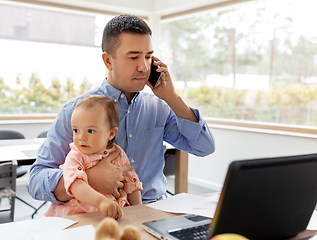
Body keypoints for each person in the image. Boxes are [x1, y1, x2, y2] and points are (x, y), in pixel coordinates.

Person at [28, 14, 215, 206]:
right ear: (108, 61)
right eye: (134, 57)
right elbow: (35, 181)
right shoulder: (75, 111)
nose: (144, 67)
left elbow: (205, 147)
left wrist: (172, 98)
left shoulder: (160, 108)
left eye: (148, 57)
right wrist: (89, 178)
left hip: (151, 210)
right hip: (95, 214)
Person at [44, 95, 142, 218]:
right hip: (77, 215)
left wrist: (139, 210)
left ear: (111, 133)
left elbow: (131, 183)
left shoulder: (118, 153)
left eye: (90, 131)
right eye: (76, 130)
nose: (81, 137)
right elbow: (76, 185)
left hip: (111, 213)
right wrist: (102, 202)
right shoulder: (75, 156)